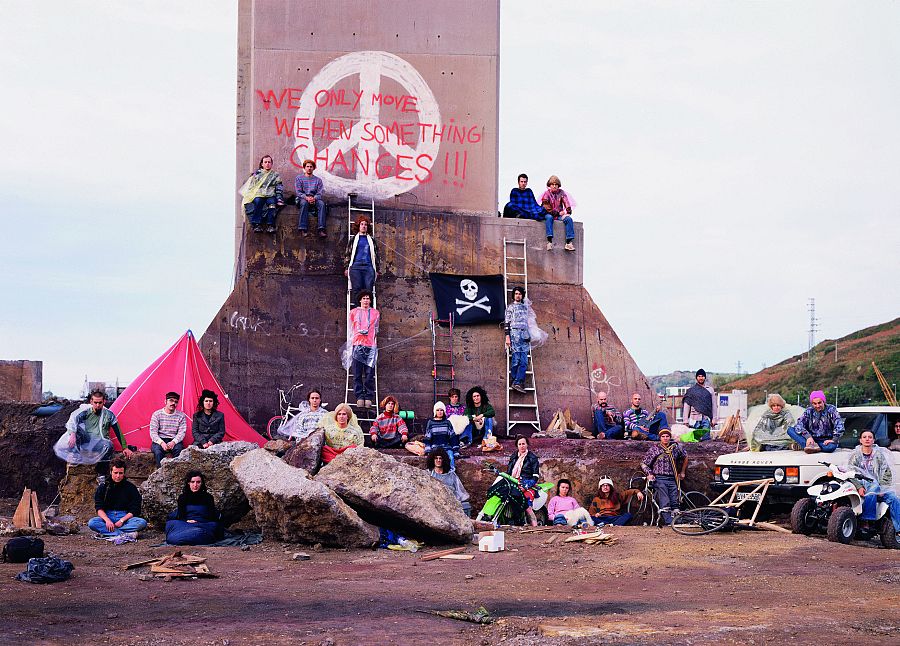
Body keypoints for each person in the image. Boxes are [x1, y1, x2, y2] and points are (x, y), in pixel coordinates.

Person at [58, 389, 132, 476]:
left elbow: (118, 431)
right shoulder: (85, 412)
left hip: (100, 442)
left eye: (100, 403)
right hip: (87, 440)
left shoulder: (109, 415)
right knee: (76, 430)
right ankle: (75, 455)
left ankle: (101, 475)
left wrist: (125, 447)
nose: (97, 405)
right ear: (91, 402)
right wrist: (73, 433)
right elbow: (73, 422)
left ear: (104, 402)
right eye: (95, 402)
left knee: (108, 445)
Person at [848, 430, 900, 534]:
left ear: (873, 440)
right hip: (863, 485)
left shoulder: (879, 455)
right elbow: (850, 474)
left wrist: (883, 488)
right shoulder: (856, 456)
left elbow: (887, 473)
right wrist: (859, 486)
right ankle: (866, 521)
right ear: (860, 440)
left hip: (879, 487)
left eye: (870, 437)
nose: (867, 439)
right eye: (864, 437)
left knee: (894, 499)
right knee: (874, 487)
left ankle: (898, 528)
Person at [87, 457, 147, 538]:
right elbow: (99, 508)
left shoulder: (130, 487)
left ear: (124, 473)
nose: (118, 476)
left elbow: (135, 508)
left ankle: (109, 533)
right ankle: (125, 534)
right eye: (115, 473)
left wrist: (122, 520)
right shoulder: (103, 487)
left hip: (125, 517)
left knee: (142, 522)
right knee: (92, 523)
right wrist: (107, 521)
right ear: (111, 472)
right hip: (107, 516)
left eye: (120, 473)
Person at [504, 285, 548, 393]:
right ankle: (515, 380)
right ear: (513, 295)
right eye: (516, 294)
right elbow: (506, 323)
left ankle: (518, 382)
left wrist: (533, 333)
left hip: (525, 335)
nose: (518, 295)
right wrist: (507, 337)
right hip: (515, 334)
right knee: (516, 359)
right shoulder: (510, 307)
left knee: (524, 361)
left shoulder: (525, 307)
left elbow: (531, 321)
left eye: (519, 294)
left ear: (522, 295)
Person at [641, 428, 687, 525]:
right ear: (660, 438)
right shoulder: (654, 449)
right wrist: (649, 474)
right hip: (660, 478)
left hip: (672, 478)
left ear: (670, 437)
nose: (665, 438)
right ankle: (668, 521)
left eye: (667, 436)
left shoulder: (675, 448)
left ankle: (677, 521)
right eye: (663, 436)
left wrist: (682, 472)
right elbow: (644, 463)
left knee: (675, 500)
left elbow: (685, 456)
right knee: (665, 500)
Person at [165, 471, 224, 546]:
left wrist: (199, 522)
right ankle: (187, 537)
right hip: (186, 524)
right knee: (171, 524)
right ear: (188, 483)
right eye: (192, 482)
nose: (195, 485)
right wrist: (187, 520)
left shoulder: (208, 497)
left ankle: (190, 536)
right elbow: (181, 515)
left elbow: (211, 516)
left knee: (208, 529)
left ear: (201, 483)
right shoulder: (183, 497)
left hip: (203, 524)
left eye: (198, 482)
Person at [347, 290, 380, 408]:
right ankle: (359, 396)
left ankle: (369, 396)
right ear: (360, 300)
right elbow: (351, 329)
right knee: (357, 373)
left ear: (370, 300)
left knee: (369, 373)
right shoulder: (353, 312)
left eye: (368, 298)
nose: (366, 300)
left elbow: (376, 329)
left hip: (370, 345)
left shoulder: (375, 313)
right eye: (364, 298)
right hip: (357, 344)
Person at [239, 154, 284, 233]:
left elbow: (279, 187)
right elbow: (251, 186)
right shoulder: (257, 174)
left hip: (270, 195)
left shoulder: (275, 175)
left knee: (272, 203)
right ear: (262, 164)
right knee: (258, 202)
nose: (267, 164)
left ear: (271, 164)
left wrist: (279, 198)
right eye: (265, 162)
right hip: (259, 194)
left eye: (269, 162)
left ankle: (270, 225)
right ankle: (256, 225)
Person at [344, 216, 378, 307]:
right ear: (358, 226)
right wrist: (347, 267)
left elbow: (376, 255)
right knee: (356, 289)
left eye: (366, 225)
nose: (364, 226)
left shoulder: (372, 240)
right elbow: (348, 254)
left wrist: (377, 269)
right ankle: (357, 312)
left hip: (368, 267)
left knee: (368, 289)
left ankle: (368, 313)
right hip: (356, 267)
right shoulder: (353, 239)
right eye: (362, 224)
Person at [508, 436, 541, 526]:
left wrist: (526, 485)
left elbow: (535, 477)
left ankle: (535, 525)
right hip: (514, 482)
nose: (522, 446)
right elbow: (509, 472)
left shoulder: (532, 458)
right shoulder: (514, 457)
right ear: (517, 446)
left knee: (527, 505)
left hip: (527, 483)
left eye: (523, 444)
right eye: (520, 444)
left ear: (527, 445)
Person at [427, 448, 471, 516]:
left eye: (440, 458)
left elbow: (460, 491)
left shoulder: (451, 475)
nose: (438, 460)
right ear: (432, 460)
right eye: (436, 458)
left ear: (444, 460)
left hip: (451, 505)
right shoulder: (428, 474)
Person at [150, 392, 188, 466]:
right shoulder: (157, 414)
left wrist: (173, 442)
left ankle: (176, 474)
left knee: (179, 451)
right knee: (158, 452)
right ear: (165, 401)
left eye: (176, 402)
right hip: (160, 439)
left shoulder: (181, 416)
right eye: (171, 400)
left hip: (174, 440)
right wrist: (161, 443)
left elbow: (182, 432)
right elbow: (153, 432)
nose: (173, 403)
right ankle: (160, 474)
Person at [540, 175, 576, 252]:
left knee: (569, 219)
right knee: (549, 218)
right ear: (549, 185)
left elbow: (566, 202)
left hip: (559, 214)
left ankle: (568, 242)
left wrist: (568, 211)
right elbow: (547, 207)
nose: (554, 186)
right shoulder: (546, 194)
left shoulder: (561, 193)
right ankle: (549, 241)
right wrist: (557, 213)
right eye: (552, 184)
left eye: (556, 184)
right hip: (549, 213)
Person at [682, 369, 717, 440]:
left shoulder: (710, 390)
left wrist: (714, 419)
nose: (701, 378)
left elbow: (714, 405)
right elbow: (687, 406)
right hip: (694, 419)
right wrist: (685, 420)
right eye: (699, 376)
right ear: (696, 378)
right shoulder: (691, 391)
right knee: (694, 441)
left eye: (702, 376)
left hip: (706, 419)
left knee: (706, 440)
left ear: (705, 377)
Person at [295, 159, 326, 237]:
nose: (309, 168)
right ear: (304, 168)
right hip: (303, 198)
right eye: (307, 166)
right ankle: (303, 228)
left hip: (314, 199)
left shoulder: (318, 180)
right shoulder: (299, 178)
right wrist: (306, 198)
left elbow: (319, 193)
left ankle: (321, 229)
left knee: (322, 204)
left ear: (313, 168)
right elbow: (298, 192)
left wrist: (314, 198)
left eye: (311, 167)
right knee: (304, 203)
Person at [425, 401, 460, 469]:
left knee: (450, 457)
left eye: (441, 410)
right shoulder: (431, 423)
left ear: (444, 411)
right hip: (435, 447)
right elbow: (427, 437)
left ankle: (451, 474)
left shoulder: (447, 422)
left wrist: (455, 450)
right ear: (435, 411)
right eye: (437, 410)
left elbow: (452, 437)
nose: (440, 412)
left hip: (446, 447)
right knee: (433, 461)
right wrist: (428, 450)